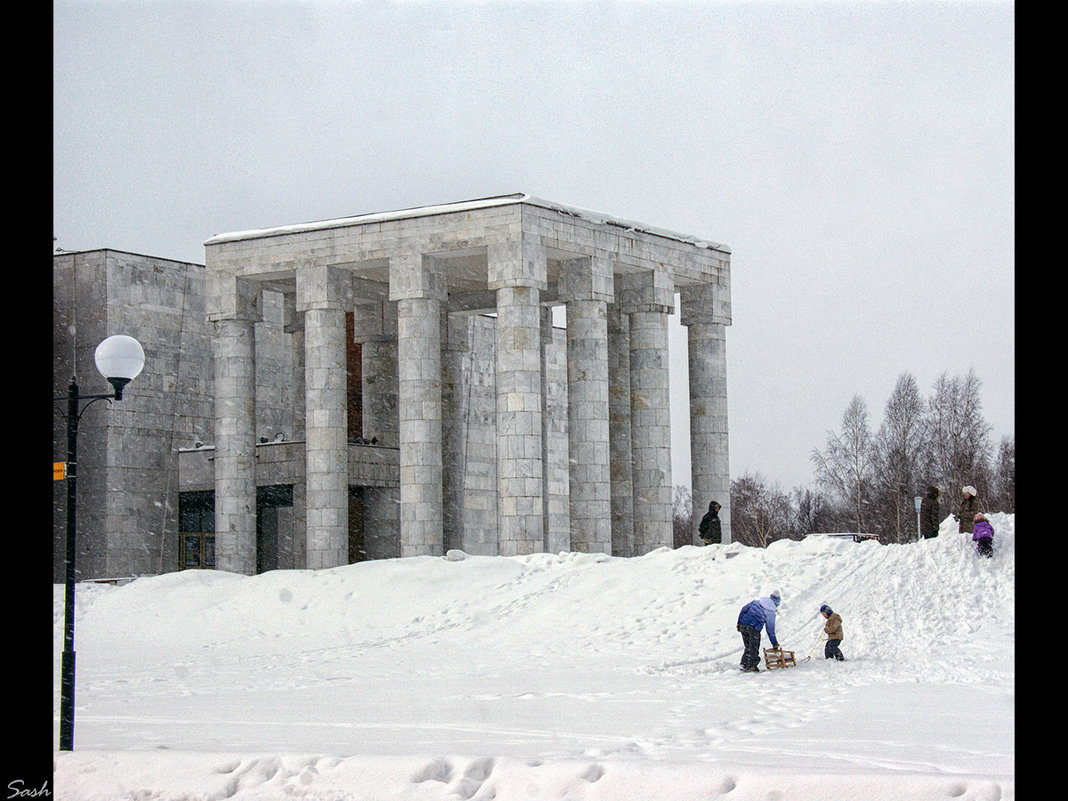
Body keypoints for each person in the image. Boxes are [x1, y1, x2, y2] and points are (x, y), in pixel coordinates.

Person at [736, 589, 782, 672]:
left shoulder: (756, 602)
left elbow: (744, 609)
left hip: (743, 625)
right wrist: (774, 643)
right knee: (754, 647)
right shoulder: (770, 612)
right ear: (777, 603)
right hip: (754, 627)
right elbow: (770, 630)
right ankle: (751, 666)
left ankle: (744, 664)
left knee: (748, 646)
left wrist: (739, 623)